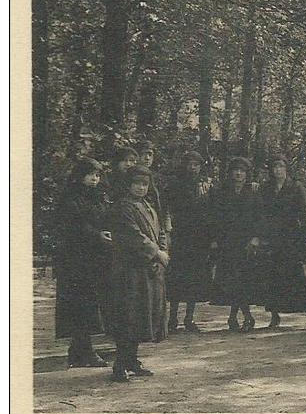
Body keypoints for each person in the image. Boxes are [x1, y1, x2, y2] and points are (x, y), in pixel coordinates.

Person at [102, 166, 169, 382]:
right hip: (129, 270)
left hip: (148, 270)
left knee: (142, 315)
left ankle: (132, 359)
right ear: (128, 184)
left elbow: (160, 232)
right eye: (137, 183)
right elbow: (134, 236)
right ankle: (120, 364)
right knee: (128, 316)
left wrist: (163, 248)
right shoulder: (123, 207)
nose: (141, 188)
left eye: (145, 184)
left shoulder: (148, 205)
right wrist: (157, 252)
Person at [54, 157, 110, 368]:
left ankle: (79, 350)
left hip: (93, 259)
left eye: (97, 175)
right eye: (91, 175)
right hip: (74, 260)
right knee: (78, 304)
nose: (95, 179)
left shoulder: (97, 196)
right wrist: (97, 235)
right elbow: (73, 227)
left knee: (88, 304)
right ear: (80, 175)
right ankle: (83, 350)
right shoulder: (70, 197)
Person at [259, 154, 306, 330]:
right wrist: (263, 236)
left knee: (297, 278)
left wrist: (305, 240)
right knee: (273, 278)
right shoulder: (266, 189)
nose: (278, 170)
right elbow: (261, 214)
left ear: (286, 169)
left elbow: (304, 215)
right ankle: (274, 316)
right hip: (273, 240)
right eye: (274, 167)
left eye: (281, 166)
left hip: (291, 239)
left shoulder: (296, 187)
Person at [209, 157, 262, 331]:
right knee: (232, 281)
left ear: (247, 174)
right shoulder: (222, 191)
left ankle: (241, 317)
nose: (238, 173)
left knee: (243, 281)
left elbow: (260, 217)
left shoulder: (254, 191)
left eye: (242, 171)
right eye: (235, 170)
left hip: (247, 244)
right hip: (228, 242)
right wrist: (215, 239)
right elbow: (216, 217)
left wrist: (256, 237)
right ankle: (241, 317)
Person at [164, 151, 213, 333]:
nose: (192, 168)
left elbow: (211, 210)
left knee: (195, 278)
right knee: (177, 278)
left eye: (196, 164)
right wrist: (168, 230)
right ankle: (172, 319)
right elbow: (166, 208)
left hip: (199, 237)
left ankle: (189, 318)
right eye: (190, 164)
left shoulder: (206, 185)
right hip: (180, 236)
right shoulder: (175, 183)